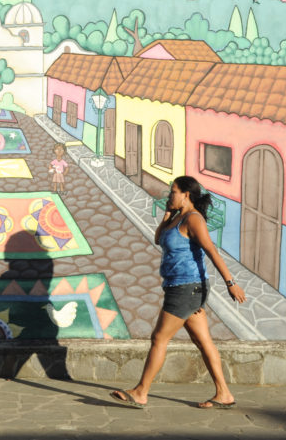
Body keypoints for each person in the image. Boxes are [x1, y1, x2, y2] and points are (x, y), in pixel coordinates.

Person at [109, 175, 246, 410]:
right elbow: (157, 238)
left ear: (186, 195)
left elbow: (211, 250)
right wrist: (166, 215)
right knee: (203, 342)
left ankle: (141, 392)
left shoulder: (193, 219)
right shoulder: (177, 218)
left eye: (173, 192)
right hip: (183, 287)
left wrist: (230, 282)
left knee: (159, 338)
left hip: (186, 288)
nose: (169, 195)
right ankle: (224, 393)